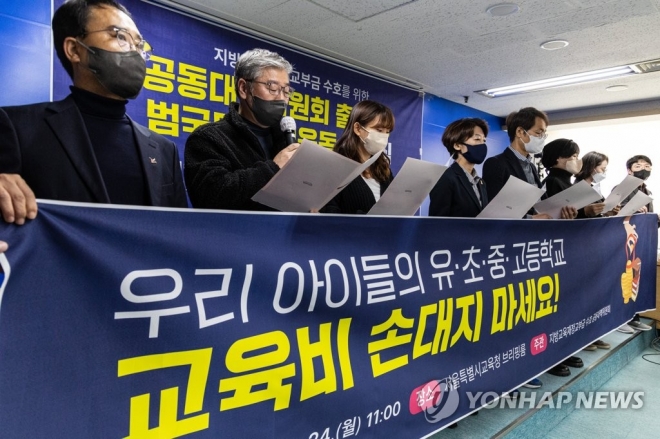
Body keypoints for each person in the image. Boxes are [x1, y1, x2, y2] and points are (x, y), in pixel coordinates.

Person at [0, 0, 187, 225]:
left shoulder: (165, 150)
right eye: (120, 36)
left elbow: (181, 230)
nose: (135, 52)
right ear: (74, 50)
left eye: (139, 44)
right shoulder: (16, 127)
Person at [184, 48, 299, 211]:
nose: (282, 99)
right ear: (244, 88)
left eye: (286, 91)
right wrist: (272, 168)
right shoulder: (208, 138)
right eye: (273, 88)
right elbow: (211, 196)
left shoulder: (285, 141)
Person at [482, 107, 576, 220]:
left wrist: (561, 214)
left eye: (543, 134)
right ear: (520, 132)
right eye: (538, 133)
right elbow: (493, 211)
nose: (542, 138)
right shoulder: (496, 163)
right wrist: (531, 219)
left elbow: (537, 205)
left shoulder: (531, 166)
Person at [321, 100, 394, 214]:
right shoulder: (335, 167)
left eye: (387, 132)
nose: (384, 136)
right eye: (379, 130)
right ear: (358, 128)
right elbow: (329, 212)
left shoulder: (383, 169)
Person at [616, 155, 654, 333]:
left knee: (636, 281)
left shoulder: (646, 191)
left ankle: (634, 317)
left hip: (640, 242)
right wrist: (632, 209)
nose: (643, 169)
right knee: (623, 279)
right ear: (629, 170)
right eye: (638, 166)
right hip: (623, 242)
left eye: (647, 166)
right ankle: (620, 319)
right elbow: (613, 214)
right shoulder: (621, 189)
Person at [429, 118, 489, 217]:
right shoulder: (444, 178)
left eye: (484, 140)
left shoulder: (481, 183)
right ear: (457, 145)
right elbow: (438, 221)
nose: (482, 145)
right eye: (477, 139)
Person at [574, 151, 618, 218]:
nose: (604, 172)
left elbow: (602, 209)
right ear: (592, 168)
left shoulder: (593, 188)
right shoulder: (576, 189)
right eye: (602, 169)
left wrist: (609, 211)